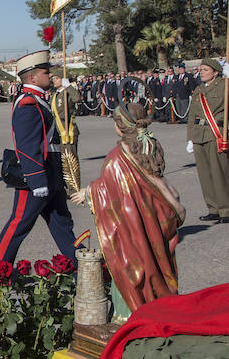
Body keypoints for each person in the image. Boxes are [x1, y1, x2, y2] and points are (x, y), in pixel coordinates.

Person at [70, 102, 184, 314]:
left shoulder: (117, 157)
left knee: (133, 263)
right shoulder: (150, 144)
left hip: (134, 228)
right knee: (158, 260)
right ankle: (162, 302)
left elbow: (113, 192)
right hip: (158, 214)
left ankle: (129, 314)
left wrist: (89, 193)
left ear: (119, 126)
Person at [0, 50, 78, 264]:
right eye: (45, 72)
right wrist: (37, 179)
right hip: (36, 177)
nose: (49, 75)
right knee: (19, 225)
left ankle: (83, 266)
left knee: (62, 225)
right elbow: (27, 145)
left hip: (51, 173)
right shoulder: (28, 104)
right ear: (32, 77)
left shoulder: (40, 100)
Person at [185, 58, 228, 223]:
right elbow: (192, 115)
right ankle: (213, 208)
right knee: (205, 174)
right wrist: (190, 138)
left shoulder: (224, 85)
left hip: (215, 133)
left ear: (216, 72)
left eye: (205, 70)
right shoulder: (199, 89)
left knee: (219, 173)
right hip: (199, 135)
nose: (201, 72)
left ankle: (226, 209)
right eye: (200, 69)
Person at [51, 73, 81, 158]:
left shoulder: (67, 92)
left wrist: (68, 86)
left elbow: (77, 98)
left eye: (56, 78)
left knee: (70, 160)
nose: (54, 80)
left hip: (68, 130)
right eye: (53, 78)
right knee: (63, 160)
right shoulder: (54, 94)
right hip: (59, 131)